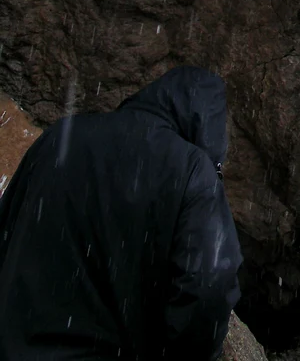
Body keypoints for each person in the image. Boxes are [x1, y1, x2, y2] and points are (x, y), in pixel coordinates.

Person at [0, 65, 242, 359]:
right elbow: (209, 286)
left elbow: (6, 229)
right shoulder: (190, 171)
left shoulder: (62, 136)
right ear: (208, 125)